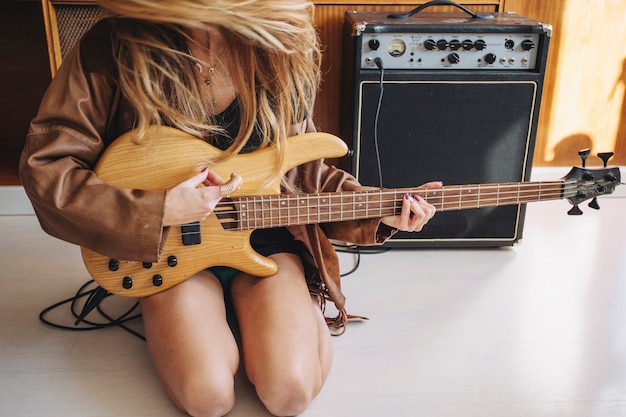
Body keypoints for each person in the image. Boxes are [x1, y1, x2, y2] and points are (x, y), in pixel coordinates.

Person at [19, 1, 439, 416]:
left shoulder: (281, 43)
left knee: (289, 392)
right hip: (167, 245)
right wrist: (159, 209)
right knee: (208, 396)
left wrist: (380, 212)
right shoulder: (113, 45)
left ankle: (283, 302)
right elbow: (47, 169)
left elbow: (304, 175)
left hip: (266, 237)